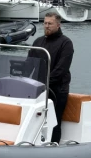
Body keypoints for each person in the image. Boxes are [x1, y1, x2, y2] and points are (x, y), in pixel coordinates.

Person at [30, 12, 74, 143]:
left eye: (50, 24)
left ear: (58, 25)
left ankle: (53, 147)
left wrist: (45, 83)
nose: (46, 26)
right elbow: (29, 64)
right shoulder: (38, 41)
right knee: (35, 120)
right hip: (39, 89)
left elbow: (61, 69)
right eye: (45, 23)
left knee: (54, 121)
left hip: (57, 90)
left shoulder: (66, 43)